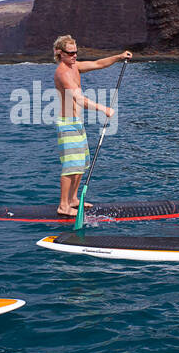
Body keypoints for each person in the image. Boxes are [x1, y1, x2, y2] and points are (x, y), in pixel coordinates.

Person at [52, 35, 132, 217]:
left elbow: (98, 64)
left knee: (81, 164)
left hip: (77, 123)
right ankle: (63, 206)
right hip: (67, 124)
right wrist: (103, 109)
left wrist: (119, 57)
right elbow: (79, 99)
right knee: (71, 166)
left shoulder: (75, 66)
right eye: (70, 53)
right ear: (60, 53)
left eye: (76, 52)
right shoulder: (62, 73)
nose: (74, 56)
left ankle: (73, 199)